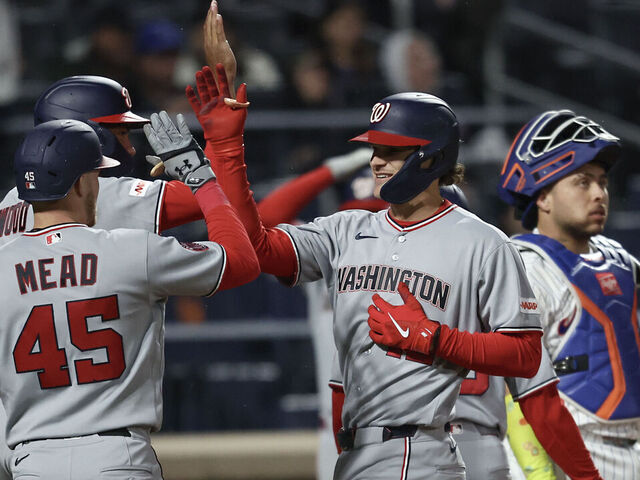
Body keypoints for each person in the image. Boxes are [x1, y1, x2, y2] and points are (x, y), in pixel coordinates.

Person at [182, 84, 548, 478]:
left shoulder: (484, 242)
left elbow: (525, 355)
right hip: (354, 451)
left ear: (431, 157)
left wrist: (434, 338)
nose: (376, 161)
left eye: (391, 151)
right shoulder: (344, 230)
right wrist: (227, 144)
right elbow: (255, 247)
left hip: (421, 448)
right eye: (375, 150)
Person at [0, 117, 258, 479]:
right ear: (80, 183)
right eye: (95, 174)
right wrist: (201, 177)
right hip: (116, 456)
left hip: (33, 461)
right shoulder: (128, 250)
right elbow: (242, 262)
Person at [498, 109, 640, 479]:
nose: (599, 193)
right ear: (542, 196)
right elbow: (511, 393)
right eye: (582, 182)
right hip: (567, 454)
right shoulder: (523, 268)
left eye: (603, 182)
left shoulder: (621, 261)